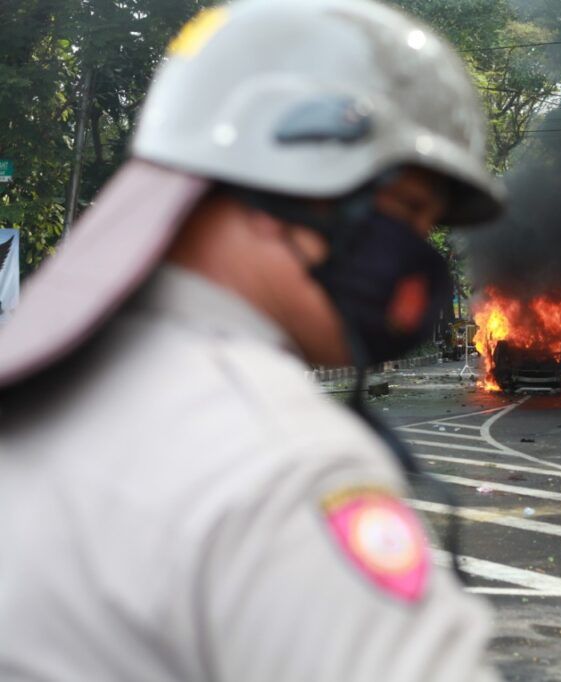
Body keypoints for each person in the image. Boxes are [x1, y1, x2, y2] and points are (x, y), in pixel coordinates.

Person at [0, 1, 506, 680]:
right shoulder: (283, 463)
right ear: (287, 183)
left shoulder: (51, 390)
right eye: (407, 214)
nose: (418, 253)